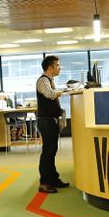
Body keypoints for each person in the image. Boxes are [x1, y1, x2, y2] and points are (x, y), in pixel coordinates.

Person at [36, 55, 69, 193]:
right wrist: (64, 92)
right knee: (48, 152)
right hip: (46, 121)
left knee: (52, 151)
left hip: (51, 121)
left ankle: (53, 178)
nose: (59, 68)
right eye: (57, 65)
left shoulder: (50, 80)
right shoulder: (43, 81)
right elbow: (50, 94)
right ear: (50, 67)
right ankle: (44, 182)